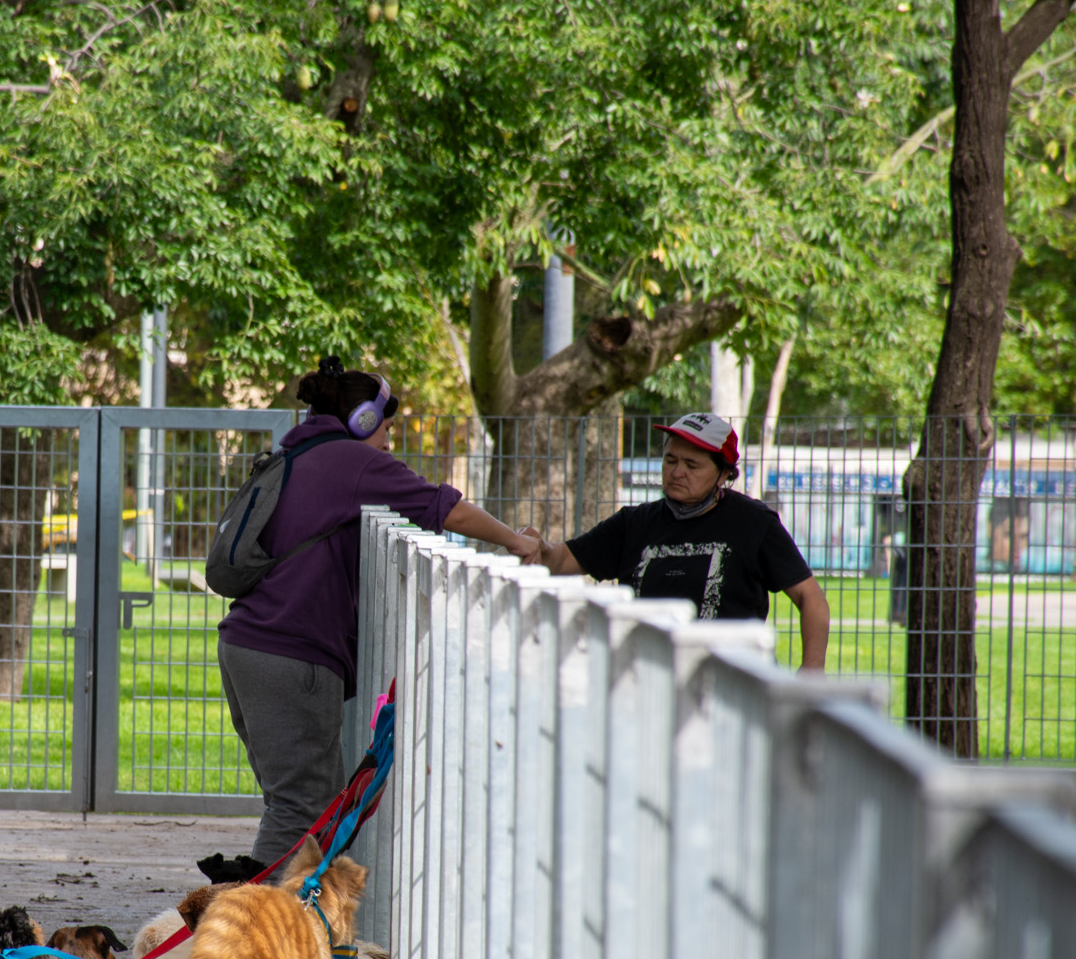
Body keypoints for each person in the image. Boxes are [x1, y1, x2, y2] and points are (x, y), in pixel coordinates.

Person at [217, 357, 540, 864]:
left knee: (296, 803)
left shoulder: (298, 455)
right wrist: (513, 542)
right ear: (363, 421)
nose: (390, 441)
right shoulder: (353, 462)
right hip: (291, 654)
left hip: (248, 647)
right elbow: (445, 508)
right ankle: (255, 932)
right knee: (301, 809)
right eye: (387, 427)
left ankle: (277, 926)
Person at [519, 411, 830, 670]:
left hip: (731, 686)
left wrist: (811, 669)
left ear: (724, 474)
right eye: (670, 460)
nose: (677, 472)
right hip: (646, 680)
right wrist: (539, 547)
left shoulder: (755, 523)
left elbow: (811, 599)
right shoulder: (633, 523)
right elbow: (560, 560)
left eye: (691, 465)